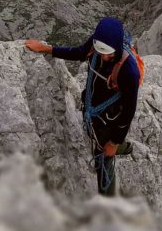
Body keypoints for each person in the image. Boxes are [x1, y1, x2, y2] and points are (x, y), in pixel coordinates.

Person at [24, 17, 141, 196]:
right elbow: (79, 53)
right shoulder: (97, 44)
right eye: (101, 52)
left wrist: (114, 142)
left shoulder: (128, 70)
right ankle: (122, 146)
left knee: (102, 158)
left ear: (117, 47)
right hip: (95, 108)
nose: (104, 57)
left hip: (110, 118)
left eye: (108, 53)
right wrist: (46, 49)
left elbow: (128, 111)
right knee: (101, 143)